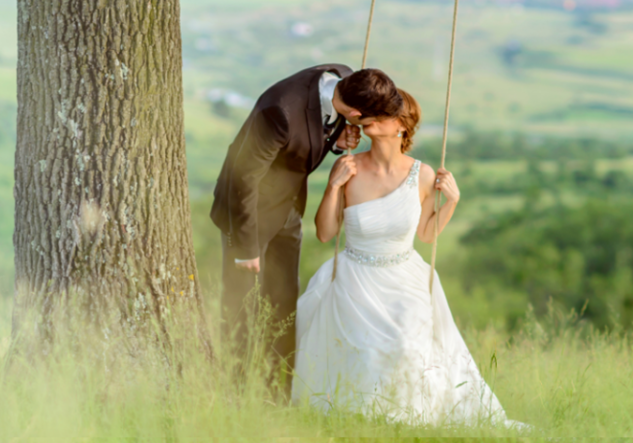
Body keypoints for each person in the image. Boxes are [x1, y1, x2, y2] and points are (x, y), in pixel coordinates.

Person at [291, 88, 524, 429]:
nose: (368, 118)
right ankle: (358, 419)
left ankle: (406, 418)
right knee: (363, 350)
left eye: (380, 113)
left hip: (405, 276)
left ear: (401, 124)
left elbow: (427, 235)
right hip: (355, 276)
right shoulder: (349, 167)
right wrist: (333, 187)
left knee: (405, 345)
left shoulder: (423, 174)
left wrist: (452, 203)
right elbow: (325, 233)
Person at [211, 65, 402, 398]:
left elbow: (316, 134)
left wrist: (336, 140)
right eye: (367, 123)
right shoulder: (279, 112)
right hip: (247, 215)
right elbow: (244, 179)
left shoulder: (343, 77)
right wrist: (246, 246)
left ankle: (279, 393)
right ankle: (234, 391)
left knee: (284, 302)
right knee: (241, 306)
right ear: (356, 113)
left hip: (288, 208)